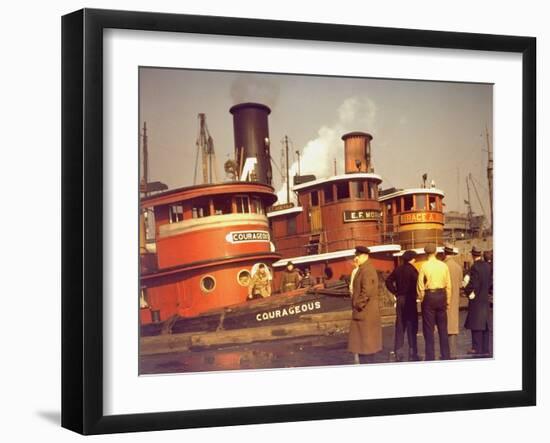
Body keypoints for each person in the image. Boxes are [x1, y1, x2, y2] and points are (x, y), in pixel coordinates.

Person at [348, 246, 382, 364]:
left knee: (366, 348)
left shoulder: (367, 270)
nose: (355, 258)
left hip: (365, 313)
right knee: (364, 347)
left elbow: (366, 292)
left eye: (357, 256)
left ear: (364, 256)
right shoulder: (364, 269)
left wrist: (357, 304)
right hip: (365, 313)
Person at [417, 243, 451, 361]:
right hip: (442, 295)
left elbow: (420, 285)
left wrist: (422, 298)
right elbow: (448, 285)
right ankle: (446, 355)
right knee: (443, 329)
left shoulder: (424, 266)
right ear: (436, 252)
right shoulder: (443, 265)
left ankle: (430, 356)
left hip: (429, 296)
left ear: (426, 254)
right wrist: (448, 300)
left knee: (428, 329)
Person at [385, 250, 419, 362]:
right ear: (412, 259)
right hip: (410, 300)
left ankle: (398, 350)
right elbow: (418, 283)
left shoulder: (398, 269)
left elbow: (388, 281)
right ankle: (412, 351)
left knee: (400, 325)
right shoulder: (413, 271)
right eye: (415, 258)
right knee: (411, 325)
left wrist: (395, 292)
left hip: (400, 299)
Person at [464, 246, 492, 356]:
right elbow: (489, 283)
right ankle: (486, 349)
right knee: (485, 325)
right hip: (485, 299)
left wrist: (467, 289)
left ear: (472, 255)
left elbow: (473, 284)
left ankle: (476, 348)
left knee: (476, 325)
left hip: (477, 300)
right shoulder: (487, 266)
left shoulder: (474, 267)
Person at [442, 243, 463, 358]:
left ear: (445, 253)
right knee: (453, 327)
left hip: (444, 299)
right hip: (455, 300)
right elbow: (460, 285)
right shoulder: (458, 267)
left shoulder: (443, 266)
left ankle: (445, 353)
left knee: (443, 326)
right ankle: (453, 353)